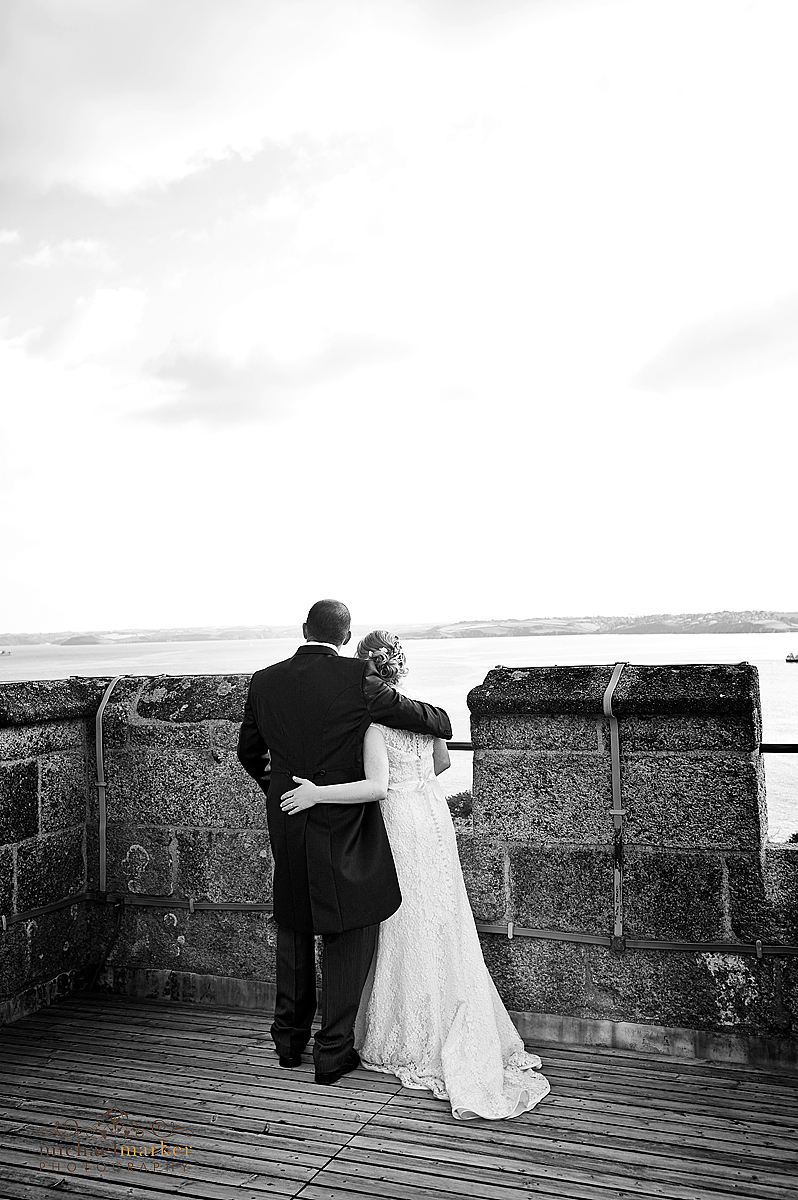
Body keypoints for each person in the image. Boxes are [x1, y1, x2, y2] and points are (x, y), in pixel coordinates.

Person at [280, 629, 551, 1120]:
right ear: (399, 668)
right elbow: (443, 762)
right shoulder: (422, 715)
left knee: (398, 923)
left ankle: (401, 1030)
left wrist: (318, 793)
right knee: (440, 919)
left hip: (398, 826)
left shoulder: (372, 725)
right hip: (432, 817)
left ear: (362, 669)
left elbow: (377, 787)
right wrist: (416, 782)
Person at [236, 601, 452, 1086]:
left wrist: (281, 789)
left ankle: (288, 1042)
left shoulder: (264, 680)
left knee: (293, 922)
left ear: (303, 630)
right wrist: (442, 720)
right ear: (346, 634)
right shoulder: (356, 678)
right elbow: (418, 715)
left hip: (289, 815)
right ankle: (331, 1053)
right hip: (343, 821)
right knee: (346, 930)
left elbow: (249, 752)